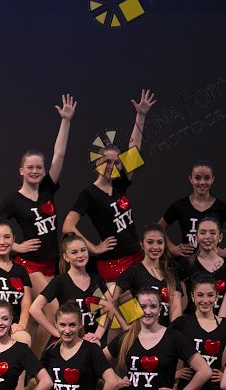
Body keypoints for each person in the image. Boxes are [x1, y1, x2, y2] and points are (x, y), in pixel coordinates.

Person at [0, 95, 77, 298]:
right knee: (51, 306)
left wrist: (65, 120)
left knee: (43, 313)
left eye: (39, 167)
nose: (35, 171)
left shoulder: (47, 190)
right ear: (21, 171)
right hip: (30, 265)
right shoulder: (13, 200)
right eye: (30, 167)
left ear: (44, 171)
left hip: (52, 263)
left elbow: (59, 155)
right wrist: (16, 246)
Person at [63, 90, 156, 283]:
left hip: (136, 256)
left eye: (116, 162)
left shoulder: (120, 183)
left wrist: (141, 115)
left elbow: (134, 149)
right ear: (97, 162)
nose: (111, 166)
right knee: (123, 303)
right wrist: (94, 248)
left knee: (145, 300)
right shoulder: (89, 194)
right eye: (107, 161)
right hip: (113, 263)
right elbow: (67, 226)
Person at [95, 288, 211, 390]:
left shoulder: (174, 337)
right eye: (143, 306)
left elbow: (205, 371)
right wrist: (115, 380)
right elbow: (98, 360)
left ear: (160, 308)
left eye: (153, 306)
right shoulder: (127, 336)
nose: (148, 311)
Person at [20, 302, 119, 390]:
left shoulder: (92, 350)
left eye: (72, 325)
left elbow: (112, 381)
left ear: (80, 324)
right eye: (62, 325)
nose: (67, 330)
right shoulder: (51, 351)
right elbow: (40, 375)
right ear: (56, 324)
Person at [171, 275, 226, 390]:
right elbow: (164, 351)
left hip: (214, 388)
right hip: (188, 387)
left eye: (210, 295)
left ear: (216, 296)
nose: (205, 300)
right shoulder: (182, 323)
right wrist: (174, 374)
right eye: (200, 295)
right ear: (192, 297)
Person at [29, 233, 116, 345]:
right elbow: (34, 309)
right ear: (66, 257)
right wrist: (56, 333)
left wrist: (98, 334)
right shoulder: (60, 281)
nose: (80, 255)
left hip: (92, 340)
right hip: (70, 342)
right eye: (74, 252)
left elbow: (107, 310)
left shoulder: (97, 280)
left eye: (83, 250)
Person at [159, 160, 226, 258]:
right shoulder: (180, 206)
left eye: (207, 178)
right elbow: (159, 227)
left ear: (212, 179)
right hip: (187, 263)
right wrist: (172, 248)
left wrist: (225, 252)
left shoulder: (222, 207)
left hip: (213, 263)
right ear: (190, 178)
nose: (202, 182)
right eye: (197, 178)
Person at [110, 224, 182, 327]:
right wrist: (125, 326)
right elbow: (110, 303)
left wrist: (172, 332)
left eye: (160, 242)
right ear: (142, 244)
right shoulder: (133, 272)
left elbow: (176, 309)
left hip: (165, 332)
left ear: (164, 245)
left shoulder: (171, 274)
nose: (155, 247)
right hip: (142, 333)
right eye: (150, 242)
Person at [181, 217, 226, 316]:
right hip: (191, 321)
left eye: (212, 233)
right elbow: (181, 303)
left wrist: (219, 324)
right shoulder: (185, 264)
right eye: (203, 233)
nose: (207, 237)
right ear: (196, 236)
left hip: (220, 321)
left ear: (220, 237)